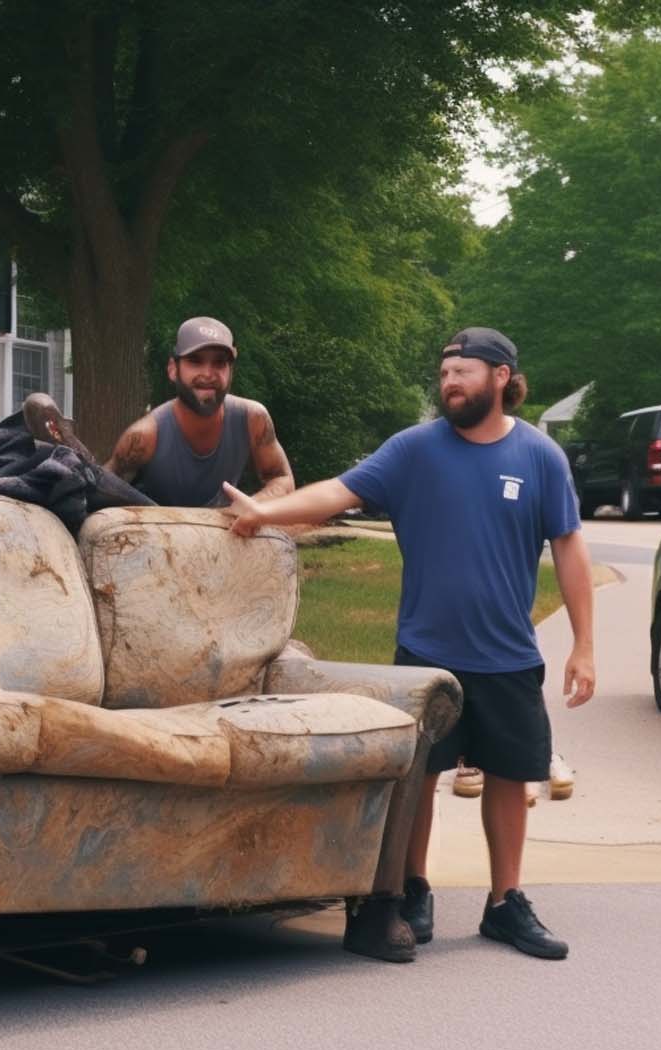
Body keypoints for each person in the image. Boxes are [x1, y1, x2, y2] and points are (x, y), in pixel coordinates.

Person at [221, 327, 595, 960]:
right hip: (426, 652)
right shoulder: (415, 450)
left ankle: (505, 903)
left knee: (511, 777)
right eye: (445, 373)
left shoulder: (539, 457)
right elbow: (338, 492)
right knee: (419, 776)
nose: (450, 382)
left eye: (465, 372)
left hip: (507, 653)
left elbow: (569, 547)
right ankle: (412, 889)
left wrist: (584, 643)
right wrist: (264, 513)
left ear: (502, 377)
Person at [104, 316, 295, 507]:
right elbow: (100, 490)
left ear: (230, 372)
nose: (208, 374)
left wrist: (251, 506)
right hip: (154, 533)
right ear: (173, 369)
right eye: (195, 361)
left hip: (226, 531)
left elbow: (282, 480)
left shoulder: (253, 419)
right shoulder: (144, 437)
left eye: (219, 363)